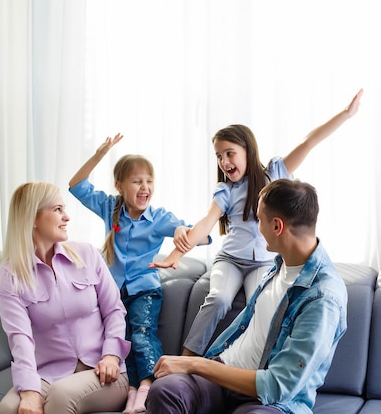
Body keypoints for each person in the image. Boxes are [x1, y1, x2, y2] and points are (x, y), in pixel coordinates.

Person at [151, 88, 363, 357]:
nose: (224, 161)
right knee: (218, 299)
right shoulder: (225, 190)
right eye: (218, 156)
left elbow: (308, 143)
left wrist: (345, 115)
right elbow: (207, 222)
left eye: (229, 153)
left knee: (260, 305)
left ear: (247, 150)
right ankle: (187, 358)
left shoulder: (274, 172)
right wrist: (175, 254)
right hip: (230, 259)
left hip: (262, 263)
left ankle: (248, 364)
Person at [146, 178, 348, 414]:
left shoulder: (323, 298)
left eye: (259, 220)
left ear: (277, 226)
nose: (256, 227)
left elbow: (277, 385)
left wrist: (194, 364)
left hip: (270, 401)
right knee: (166, 391)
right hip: (223, 376)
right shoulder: (281, 263)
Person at [69, 136, 211, 414]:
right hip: (111, 294)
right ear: (120, 186)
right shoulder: (111, 208)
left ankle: (147, 391)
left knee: (142, 337)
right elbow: (76, 186)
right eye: (137, 181)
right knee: (121, 342)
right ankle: (133, 392)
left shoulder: (159, 219)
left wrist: (183, 232)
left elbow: (202, 235)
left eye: (149, 181)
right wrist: (100, 155)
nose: (145, 187)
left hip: (144, 291)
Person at [0, 182, 131, 414]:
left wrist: (110, 355)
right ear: (33, 217)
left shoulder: (87, 254)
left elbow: (115, 310)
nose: (66, 217)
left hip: (102, 370)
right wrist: (29, 392)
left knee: (61, 396)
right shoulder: (9, 276)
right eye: (57, 209)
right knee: (9, 408)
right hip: (49, 373)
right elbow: (20, 339)